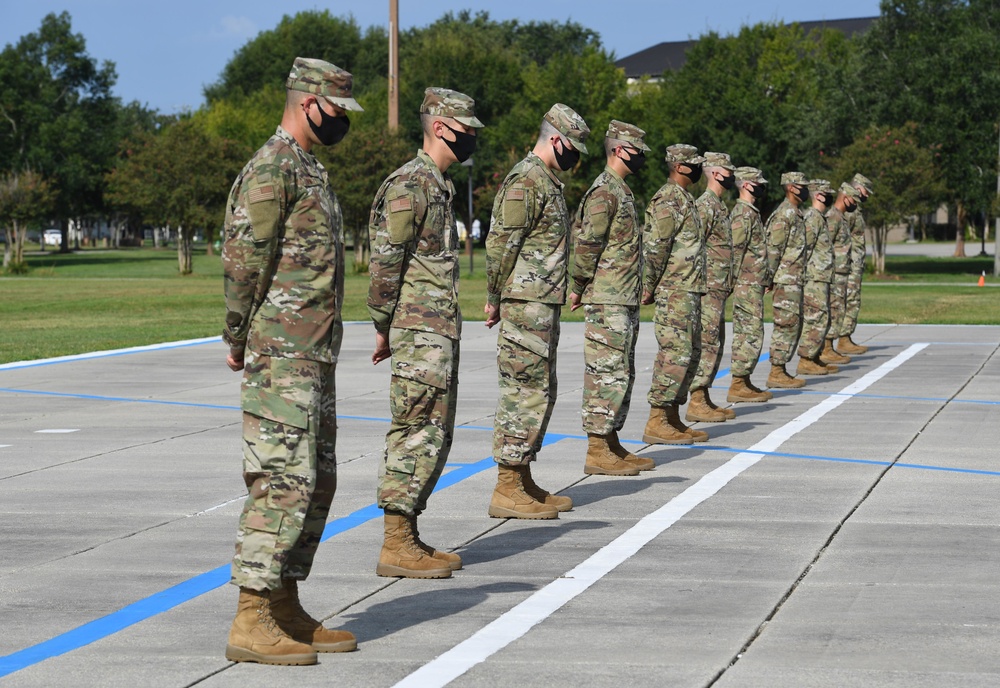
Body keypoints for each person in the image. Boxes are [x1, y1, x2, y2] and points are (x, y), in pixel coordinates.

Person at [221, 57, 362, 666]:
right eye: (336, 111)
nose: (341, 123)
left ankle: (283, 601)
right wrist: (236, 334)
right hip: (280, 353)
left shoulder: (309, 168)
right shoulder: (273, 168)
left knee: (316, 480)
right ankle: (251, 617)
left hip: (314, 352)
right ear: (309, 102)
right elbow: (244, 258)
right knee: (281, 479)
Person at [367, 87, 483, 579]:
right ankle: (395, 542)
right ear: (440, 126)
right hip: (417, 331)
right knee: (416, 428)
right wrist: (382, 325)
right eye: (465, 128)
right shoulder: (409, 184)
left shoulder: (436, 184)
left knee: (434, 431)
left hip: (435, 329)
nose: (471, 137)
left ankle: (408, 532)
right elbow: (385, 263)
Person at [484, 103, 589, 518]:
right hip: (524, 306)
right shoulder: (526, 180)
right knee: (523, 393)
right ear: (556, 140)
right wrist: (494, 296)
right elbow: (501, 244)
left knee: (540, 390)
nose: (575, 156)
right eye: (573, 147)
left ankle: (522, 475)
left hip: (542, 304)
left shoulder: (545, 180)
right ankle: (507, 486)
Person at [570, 119, 655, 476]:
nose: (639, 159)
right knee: (606, 372)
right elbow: (588, 244)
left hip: (623, 296)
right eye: (635, 151)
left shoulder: (620, 189)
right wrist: (577, 286)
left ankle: (611, 440)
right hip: (607, 298)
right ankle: (596, 448)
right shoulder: (604, 190)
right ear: (619, 150)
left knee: (621, 372)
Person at [641, 144, 709, 445]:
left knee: (691, 352)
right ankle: (657, 418)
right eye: (694, 164)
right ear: (679, 166)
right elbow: (656, 246)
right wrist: (649, 284)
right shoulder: (668, 198)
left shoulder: (685, 198)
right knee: (675, 353)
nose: (699, 169)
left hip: (689, 289)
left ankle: (671, 416)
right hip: (674, 289)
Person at [687, 152, 736, 423]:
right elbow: (695, 246)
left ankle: (703, 394)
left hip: (718, 288)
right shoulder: (705, 205)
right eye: (728, 171)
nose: (732, 176)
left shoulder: (718, 205)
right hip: (708, 287)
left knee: (716, 342)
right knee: (707, 342)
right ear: (717, 173)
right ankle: (696, 398)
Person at [726, 166, 773, 403]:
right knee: (749, 333)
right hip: (745, 284)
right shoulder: (743, 214)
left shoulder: (751, 212)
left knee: (752, 333)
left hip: (752, 283)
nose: (761, 187)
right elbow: (735, 252)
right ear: (745, 184)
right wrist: (733, 282)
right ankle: (737, 383)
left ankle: (743, 381)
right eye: (757, 183)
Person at [765, 171, 810, 389]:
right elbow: (774, 249)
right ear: (791, 187)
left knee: (794, 324)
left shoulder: (795, 213)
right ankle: (776, 371)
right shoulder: (784, 214)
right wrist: (769, 277)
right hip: (785, 279)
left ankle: (781, 369)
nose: (806, 189)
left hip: (795, 279)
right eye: (802, 185)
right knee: (786, 324)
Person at [795, 179, 837, 376]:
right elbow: (806, 247)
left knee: (822, 317)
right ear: (819, 195)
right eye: (828, 193)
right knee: (815, 317)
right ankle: (806, 359)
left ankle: (814, 356)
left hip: (821, 276)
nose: (831, 197)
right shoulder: (812, 217)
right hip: (814, 277)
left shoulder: (819, 217)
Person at [823, 183, 862, 365]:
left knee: (838, 310)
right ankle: (826, 348)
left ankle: (829, 347)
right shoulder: (833, 217)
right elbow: (825, 245)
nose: (855, 203)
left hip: (841, 271)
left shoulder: (840, 217)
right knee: (833, 310)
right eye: (853, 199)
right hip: (834, 272)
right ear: (845, 197)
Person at [838, 173, 874, 355]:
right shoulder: (849, 211)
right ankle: (843, 339)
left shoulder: (856, 210)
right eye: (865, 191)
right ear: (858, 188)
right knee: (849, 300)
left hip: (855, 263)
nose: (867, 195)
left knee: (853, 300)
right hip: (849, 264)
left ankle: (847, 337)